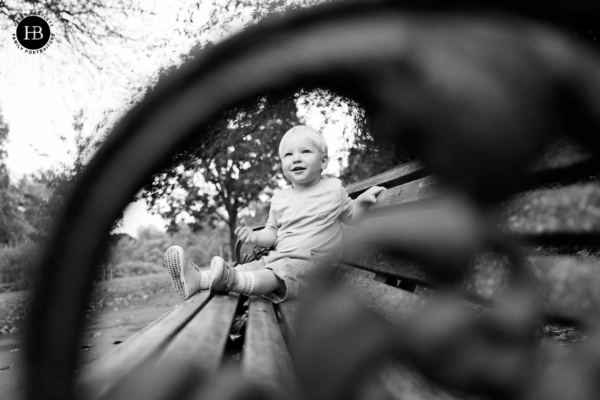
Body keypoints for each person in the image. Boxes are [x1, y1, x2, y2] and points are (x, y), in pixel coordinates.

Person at [164, 125, 385, 302]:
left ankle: (230, 280)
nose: (296, 158)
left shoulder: (334, 189)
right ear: (282, 165)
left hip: (316, 268)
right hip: (281, 258)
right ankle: (197, 279)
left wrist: (362, 201)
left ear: (323, 161)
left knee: (277, 271)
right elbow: (273, 233)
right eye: (288, 155)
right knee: (253, 267)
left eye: (305, 151)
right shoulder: (280, 198)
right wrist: (255, 237)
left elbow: (351, 217)